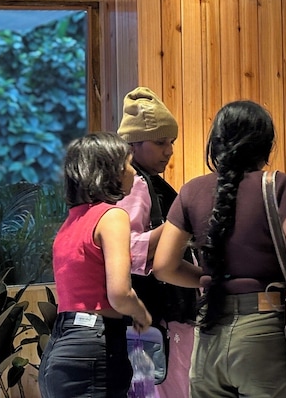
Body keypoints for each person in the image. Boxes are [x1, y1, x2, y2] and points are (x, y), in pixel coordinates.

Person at [152, 100, 286, 398]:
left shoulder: (191, 191)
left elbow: (164, 266)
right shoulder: (278, 186)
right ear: (265, 145)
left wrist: (209, 280)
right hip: (264, 335)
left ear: (215, 144)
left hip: (208, 337)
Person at [38, 132, 153, 398]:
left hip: (60, 349)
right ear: (108, 170)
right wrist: (140, 313)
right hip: (94, 348)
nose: (133, 171)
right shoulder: (112, 216)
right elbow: (120, 293)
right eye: (127, 163)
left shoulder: (69, 224)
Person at [116, 87, 198, 398]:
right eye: (161, 143)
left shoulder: (145, 182)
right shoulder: (136, 184)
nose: (169, 150)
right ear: (134, 145)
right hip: (157, 317)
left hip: (157, 317)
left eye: (172, 143)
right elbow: (130, 249)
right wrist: (182, 222)